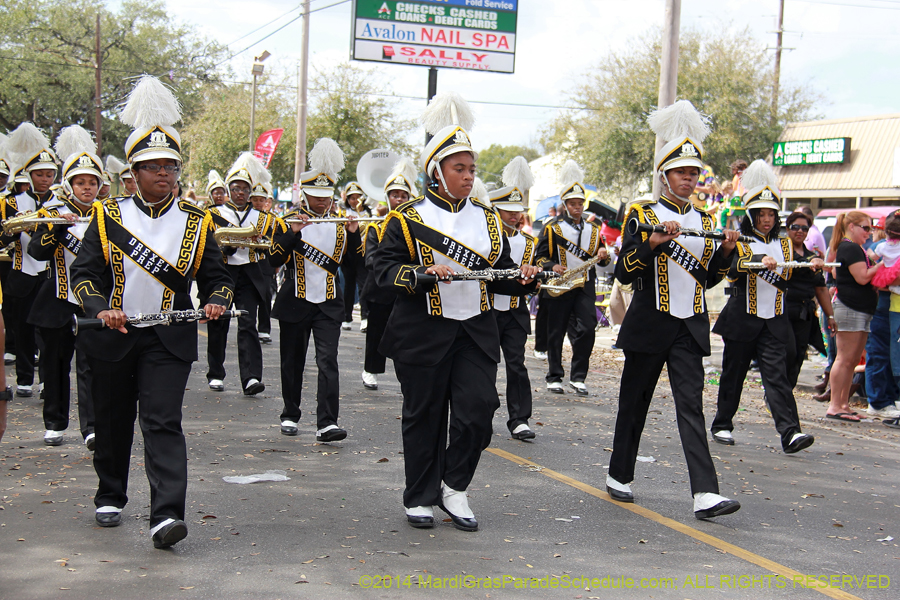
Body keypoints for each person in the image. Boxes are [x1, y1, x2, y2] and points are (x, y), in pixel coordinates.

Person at [70, 75, 234, 549]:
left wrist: (219, 299)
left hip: (168, 338)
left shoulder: (199, 221)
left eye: (170, 166)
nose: (163, 174)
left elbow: (217, 276)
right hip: (114, 337)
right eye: (152, 167)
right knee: (115, 418)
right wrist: (102, 310)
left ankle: (166, 515)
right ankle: (111, 493)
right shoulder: (107, 217)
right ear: (134, 174)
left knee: (162, 420)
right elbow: (84, 276)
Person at [370, 92, 538, 531]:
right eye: (458, 168)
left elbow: (498, 268)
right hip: (422, 330)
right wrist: (423, 272)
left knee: (479, 410)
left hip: (476, 330)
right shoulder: (405, 219)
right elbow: (383, 268)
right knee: (423, 415)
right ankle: (420, 495)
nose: (468, 176)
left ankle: (454, 486)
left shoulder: (487, 218)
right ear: (436, 173)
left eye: (471, 169)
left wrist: (525, 275)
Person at [607, 100, 741, 520]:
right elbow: (625, 272)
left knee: (691, 407)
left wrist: (725, 253)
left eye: (694, 173)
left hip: (690, 326)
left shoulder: (704, 219)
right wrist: (651, 243)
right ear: (665, 175)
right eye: (682, 172)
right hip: (650, 323)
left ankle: (705, 493)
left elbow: (708, 279)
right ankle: (619, 474)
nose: (689, 179)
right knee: (635, 402)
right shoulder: (642, 214)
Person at [711, 160, 816, 454]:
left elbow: (795, 271)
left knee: (777, 378)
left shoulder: (785, 245)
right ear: (752, 215)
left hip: (774, 321)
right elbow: (732, 270)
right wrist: (758, 261)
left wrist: (814, 265)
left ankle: (790, 433)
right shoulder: (741, 240)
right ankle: (722, 424)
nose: (767, 219)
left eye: (771, 214)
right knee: (734, 374)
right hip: (743, 318)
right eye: (762, 214)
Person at [270, 138, 351, 442]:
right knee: (293, 362)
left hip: (329, 302)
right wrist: (292, 234)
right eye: (315, 196)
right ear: (304, 194)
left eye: (325, 196)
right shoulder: (286, 221)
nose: (321, 202)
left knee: (328, 361)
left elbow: (358, 265)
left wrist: (355, 236)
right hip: (295, 301)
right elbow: (273, 260)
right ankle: (290, 413)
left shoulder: (343, 223)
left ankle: (327, 422)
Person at [25, 125, 100, 448]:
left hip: (93, 302)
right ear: (68, 185)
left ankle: (92, 428)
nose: (87, 188)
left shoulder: (106, 214)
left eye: (92, 182)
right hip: (57, 298)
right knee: (54, 365)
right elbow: (36, 252)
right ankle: (54, 422)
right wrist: (57, 227)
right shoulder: (53, 213)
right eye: (80, 182)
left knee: (91, 366)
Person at [535, 160, 609, 395]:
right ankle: (554, 376)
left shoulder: (594, 230)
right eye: (572, 204)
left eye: (580, 203)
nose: (577, 207)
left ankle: (578, 376)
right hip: (561, 283)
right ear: (565, 205)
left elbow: (603, 259)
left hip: (585, 283)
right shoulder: (552, 228)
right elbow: (539, 258)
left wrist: (603, 256)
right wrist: (552, 265)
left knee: (588, 328)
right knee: (555, 331)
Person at [204, 153, 275, 394]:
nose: (240, 193)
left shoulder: (261, 217)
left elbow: (273, 244)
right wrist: (229, 245)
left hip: (249, 274)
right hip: (222, 273)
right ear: (228, 190)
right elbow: (208, 244)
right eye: (235, 189)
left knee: (248, 324)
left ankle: (251, 378)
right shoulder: (214, 213)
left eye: (245, 189)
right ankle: (216, 373)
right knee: (219, 322)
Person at [1, 122, 57, 399]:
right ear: (29, 175)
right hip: (21, 270)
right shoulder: (12, 203)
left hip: (50, 273)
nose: (44, 179)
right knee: (22, 328)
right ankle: (24, 377)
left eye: (49, 174)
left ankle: (47, 379)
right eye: (39, 174)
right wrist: (14, 232)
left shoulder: (60, 203)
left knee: (47, 331)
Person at [489, 156, 538, 440]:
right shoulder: (486, 239)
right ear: (495, 210)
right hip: (488, 310)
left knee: (516, 364)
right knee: (485, 364)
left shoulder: (529, 242)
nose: (514, 215)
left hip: (516, 312)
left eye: (517, 211)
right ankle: (482, 411)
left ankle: (519, 418)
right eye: (507, 210)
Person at [360, 157, 418, 390]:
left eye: (404, 196)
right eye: (395, 195)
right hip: (380, 288)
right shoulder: (376, 227)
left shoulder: (415, 226)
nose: (399, 199)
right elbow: (371, 259)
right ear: (388, 197)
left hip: (405, 289)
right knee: (376, 332)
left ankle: (407, 373)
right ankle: (370, 369)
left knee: (407, 335)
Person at [825, 211, 881, 421]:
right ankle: (835, 405)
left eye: (871, 229)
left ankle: (843, 403)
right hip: (850, 307)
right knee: (844, 358)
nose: (869, 233)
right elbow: (862, 277)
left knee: (851, 360)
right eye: (865, 228)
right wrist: (883, 265)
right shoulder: (849, 246)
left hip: (859, 307)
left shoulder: (854, 248)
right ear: (851, 226)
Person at [782, 212, 833, 389]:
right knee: (789, 352)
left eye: (805, 228)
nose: (800, 231)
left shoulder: (813, 257)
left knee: (798, 356)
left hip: (804, 312)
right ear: (788, 228)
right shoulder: (779, 252)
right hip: (783, 309)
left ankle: (786, 393)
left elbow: (821, 288)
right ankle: (777, 393)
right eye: (796, 227)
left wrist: (831, 316)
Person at [861, 212, 900, 419]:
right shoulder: (878, 248)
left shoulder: (879, 248)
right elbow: (865, 269)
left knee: (894, 355)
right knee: (879, 352)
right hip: (881, 303)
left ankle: (889, 399)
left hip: (893, 302)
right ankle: (877, 400)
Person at [340, 181, 371, 332]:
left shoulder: (369, 212)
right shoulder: (342, 212)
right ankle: (346, 317)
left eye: (358, 197)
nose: (355, 200)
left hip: (363, 254)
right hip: (348, 254)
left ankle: (365, 317)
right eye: (352, 197)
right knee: (348, 286)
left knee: (364, 285)